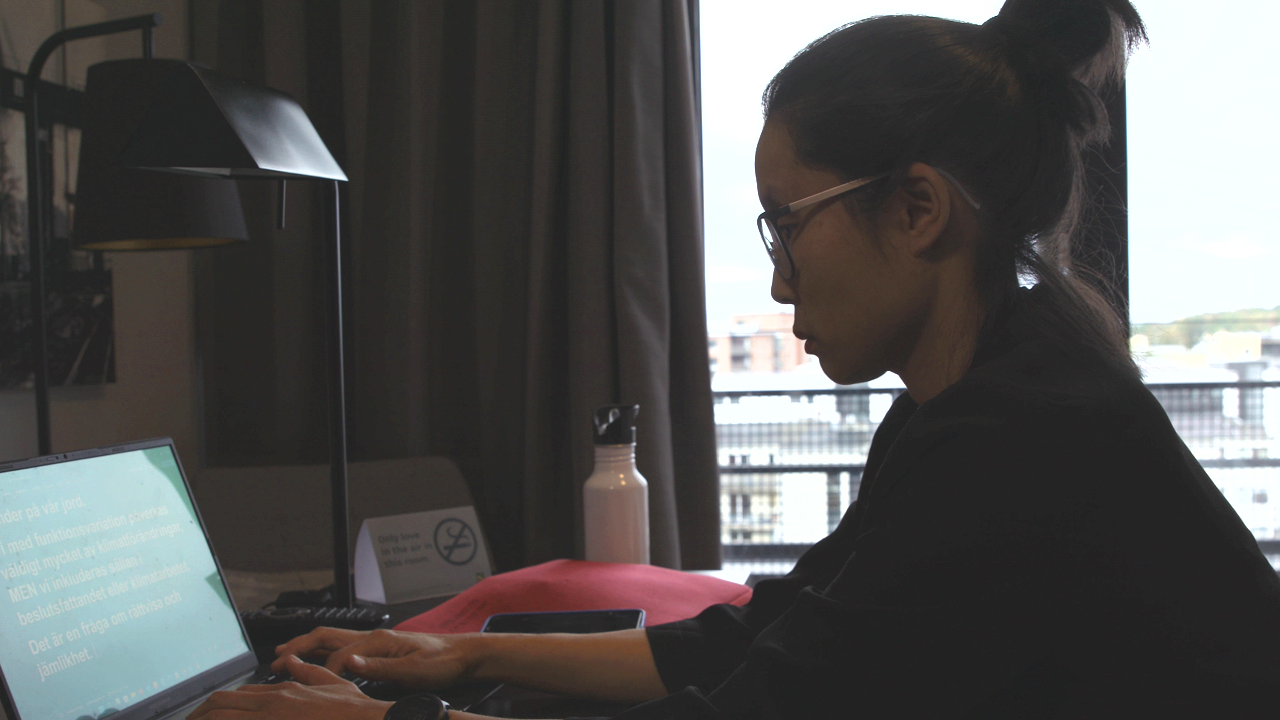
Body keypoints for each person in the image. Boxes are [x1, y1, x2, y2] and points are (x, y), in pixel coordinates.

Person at [190, 0, 1280, 718]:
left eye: (787, 225)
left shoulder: (1021, 441)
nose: (779, 284)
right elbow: (769, 638)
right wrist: (465, 654)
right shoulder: (974, 400)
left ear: (917, 209)